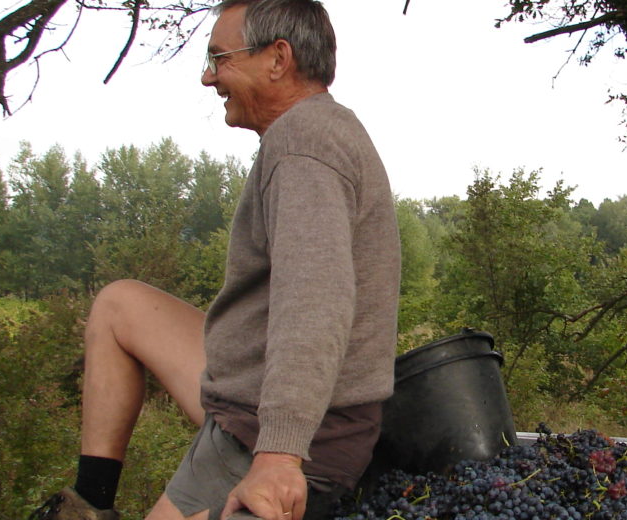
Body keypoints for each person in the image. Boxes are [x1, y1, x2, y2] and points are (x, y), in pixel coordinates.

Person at [28, 0, 400, 518]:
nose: (208, 78)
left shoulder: (301, 144)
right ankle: (91, 505)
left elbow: (316, 301)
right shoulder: (319, 130)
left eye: (220, 58)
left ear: (277, 58)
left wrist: (277, 455)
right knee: (120, 305)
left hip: (292, 428)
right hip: (254, 385)